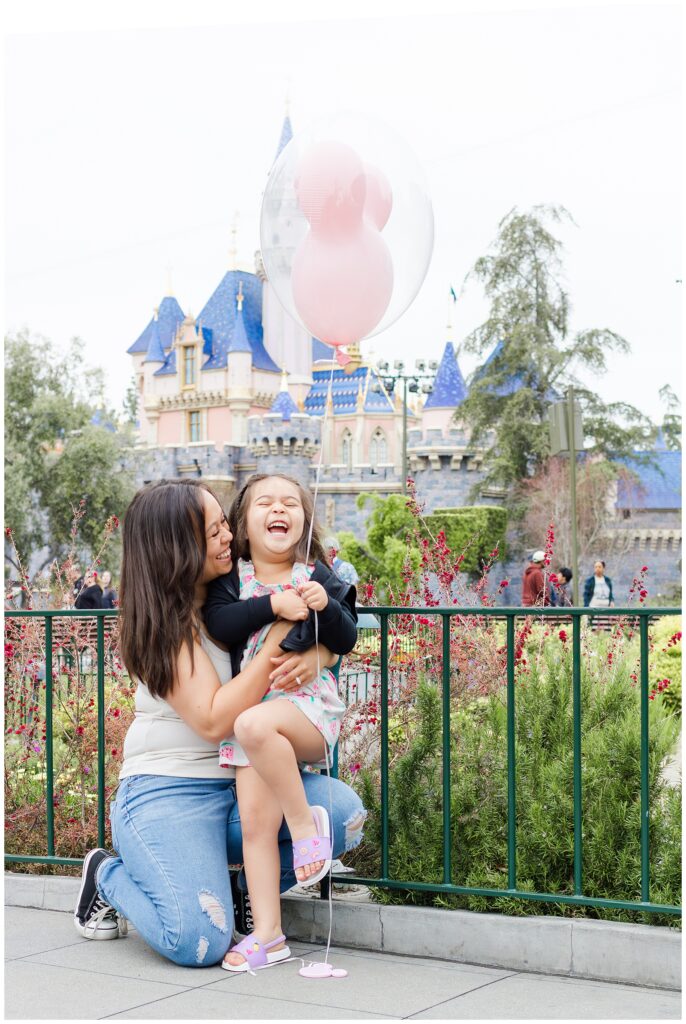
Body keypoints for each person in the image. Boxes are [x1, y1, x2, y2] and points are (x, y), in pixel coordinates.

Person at [73, 478, 366, 969]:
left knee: (341, 815)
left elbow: (332, 626)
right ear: (178, 547)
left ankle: (244, 889)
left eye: (224, 526)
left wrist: (319, 653)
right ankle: (105, 875)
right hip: (169, 790)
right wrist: (281, 633)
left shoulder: (232, 591)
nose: (228, 536)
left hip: (238, 777)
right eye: (213, 532)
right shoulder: (159, 624)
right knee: (198, 944)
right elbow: (212, 720)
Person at [203, 474, 358, 972]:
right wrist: (274, 604)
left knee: (250, 724)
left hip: (302, 709)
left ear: (304, 520)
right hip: (256, 718)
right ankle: (269, 935)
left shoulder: (316, 573)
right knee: (254, 827)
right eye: (265, 503)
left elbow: (347, 634)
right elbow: (221, 624)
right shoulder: (234, 581)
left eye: (291, 503)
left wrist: (323, 607)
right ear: (243, 524)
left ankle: (304, 825)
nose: (279, 509)